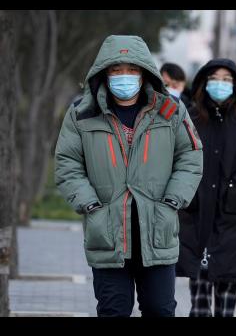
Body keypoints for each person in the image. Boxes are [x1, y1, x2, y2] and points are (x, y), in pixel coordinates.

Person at [54, 35, 203, 317]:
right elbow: (67, 162)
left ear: (144, 73)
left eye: (132, 70)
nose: (125, 77)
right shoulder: (82, 114)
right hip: (107, 235)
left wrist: (172, 201)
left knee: (160, 309)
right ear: (104, 73)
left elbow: (191, 156)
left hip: (157, 232)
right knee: (113, 310)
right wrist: (90, 205)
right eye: (116, 70)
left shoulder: (170, 110)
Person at [176, 58, 236, 317]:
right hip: (197, 213)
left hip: (232, 216)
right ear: (204, 82)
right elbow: (173, 156)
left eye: (227, 79)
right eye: (215, 78)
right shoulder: (190, 118)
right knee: (199, 301)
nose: (221, 84)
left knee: (226, 297)